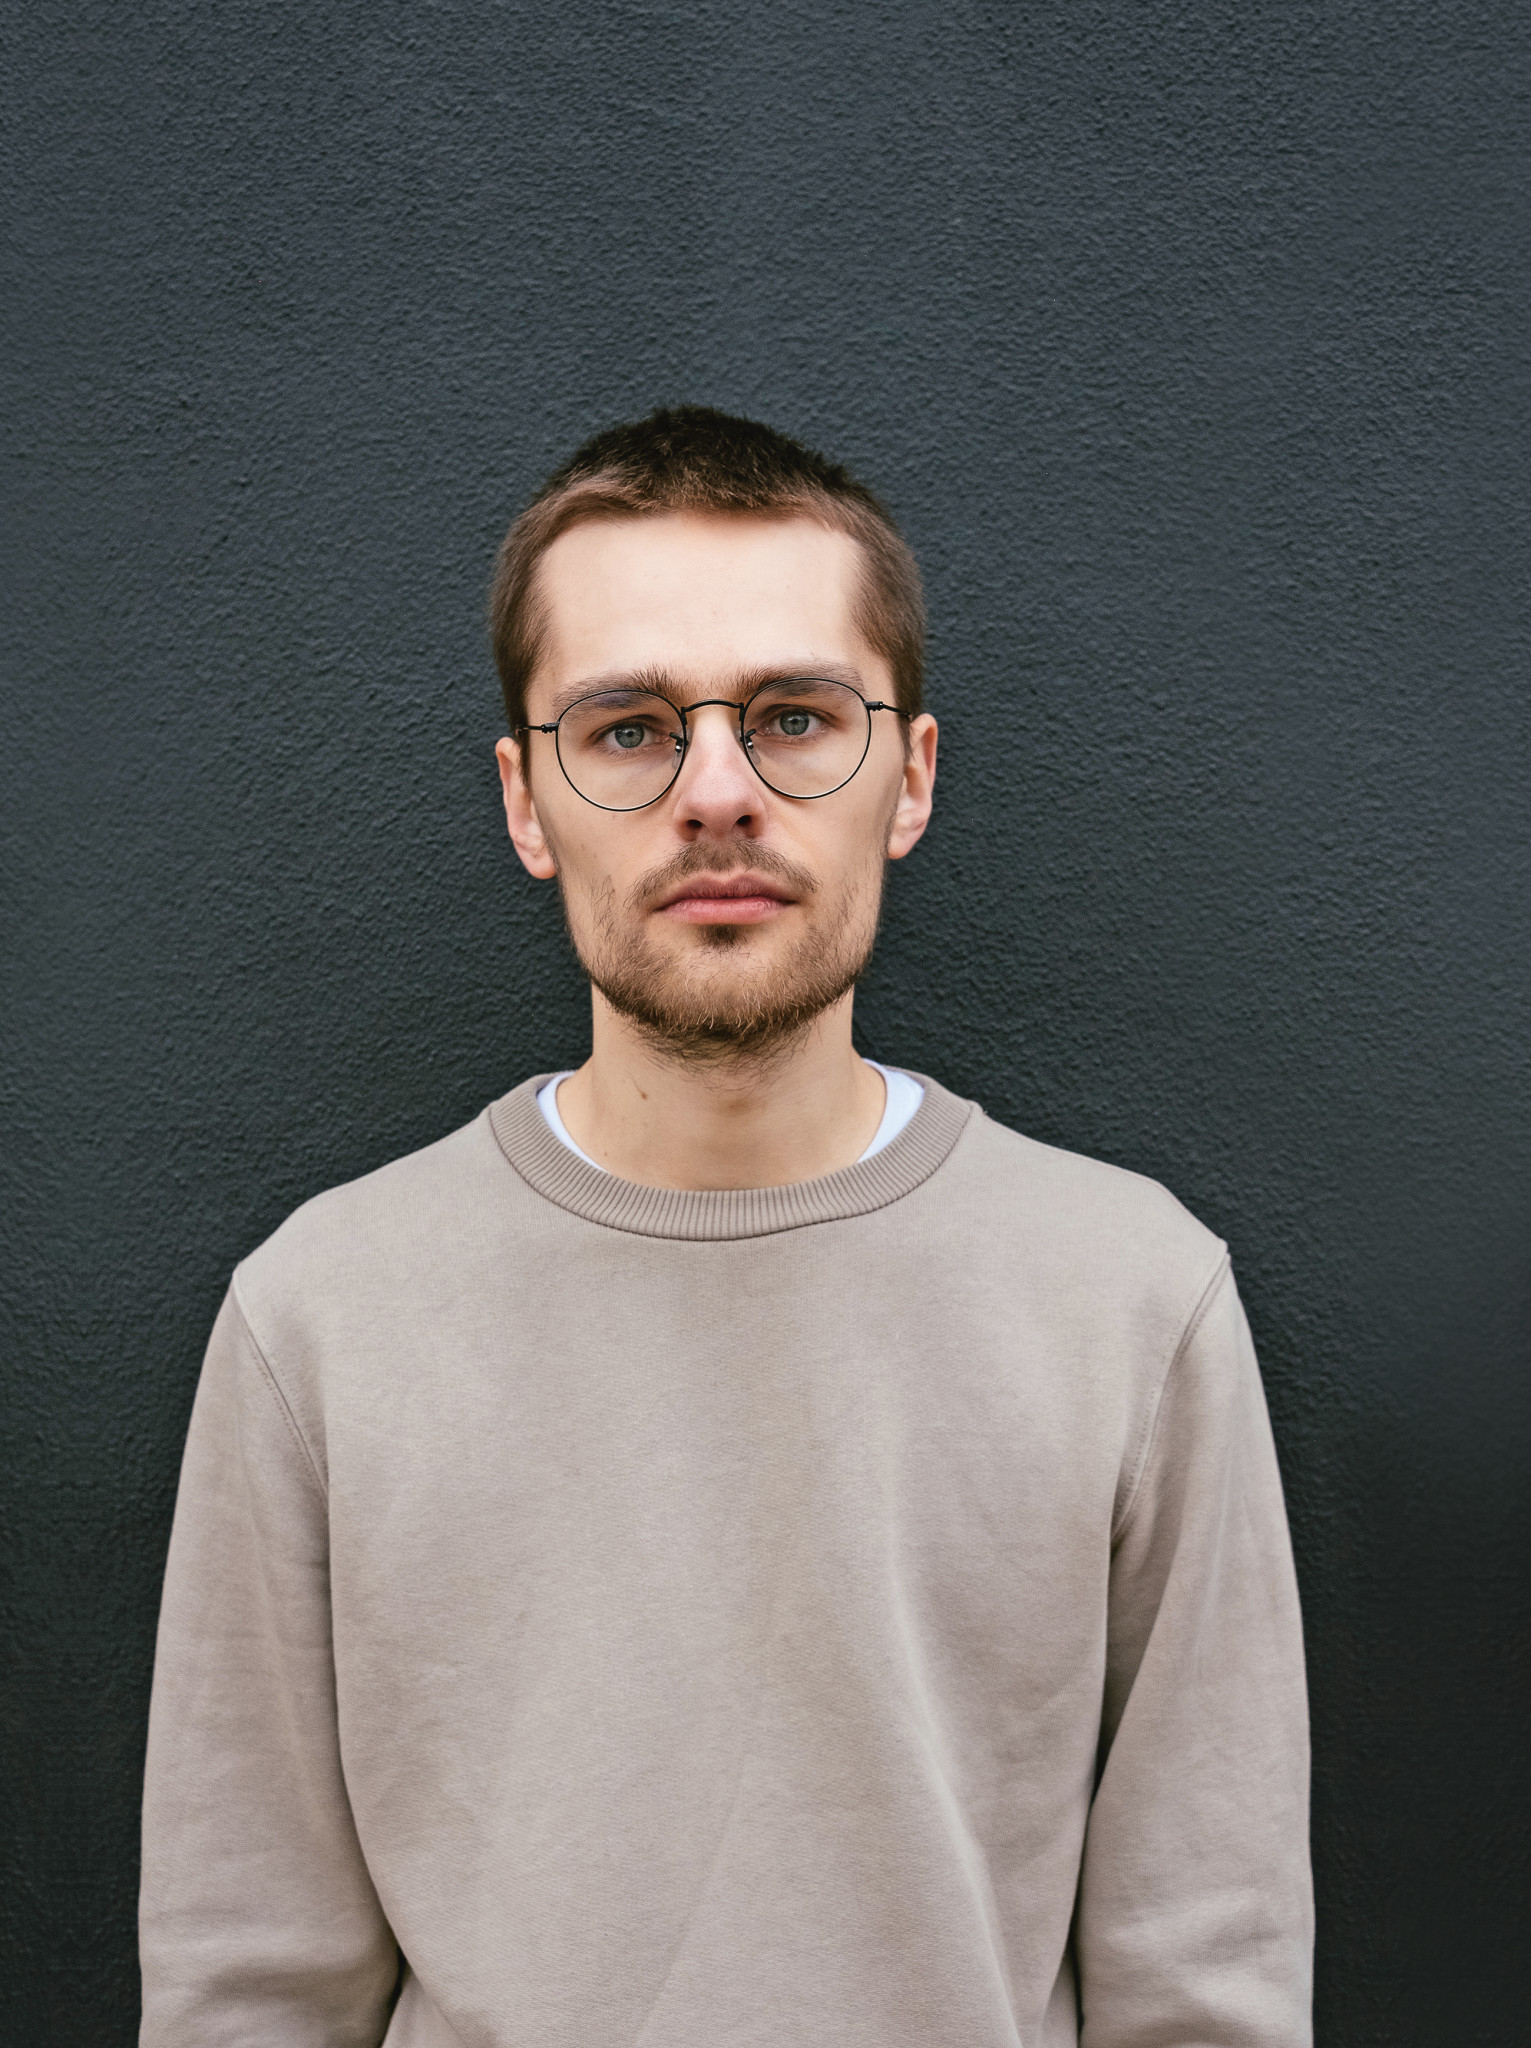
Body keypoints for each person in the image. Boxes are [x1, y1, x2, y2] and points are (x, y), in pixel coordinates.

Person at [139, 407, 1313, 2047]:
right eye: (627, 729)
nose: (716, 794)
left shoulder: (1135, 1299)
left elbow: (1208, 1985)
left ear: (909, 778)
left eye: (793, 719)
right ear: (526, 801)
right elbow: (243, 1991)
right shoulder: (319, 1317)